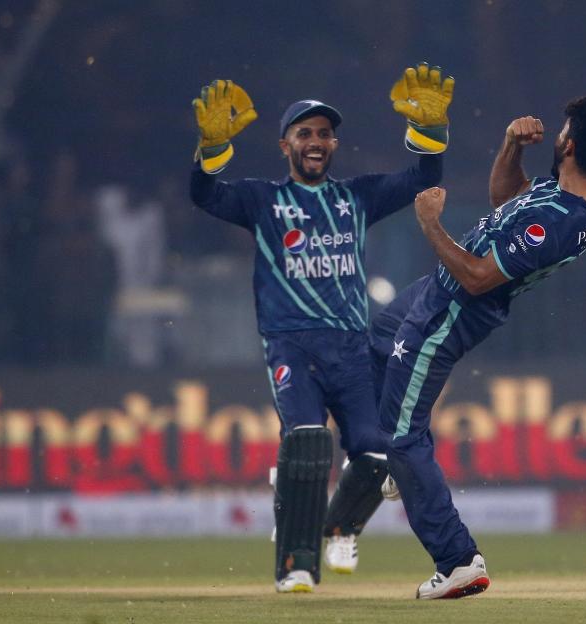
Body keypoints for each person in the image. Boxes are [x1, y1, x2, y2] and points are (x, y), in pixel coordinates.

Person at [188, 64, 454, 593]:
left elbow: (425, 178)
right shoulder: (262, 201)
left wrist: (430, 134)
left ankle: (339, 528)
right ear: (284, 145)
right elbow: (205, 195)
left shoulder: (356, 197)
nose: (316, 142)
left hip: (352, 351)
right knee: (308, 441)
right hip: (291, 343)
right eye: (304, 134)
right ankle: (296, 564)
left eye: (324, 134)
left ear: (334, 144)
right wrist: (209, 146)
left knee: (381, 454)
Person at [372, 96, 586, 599]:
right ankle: (407, 468)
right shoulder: (575, 190)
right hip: (434, 292)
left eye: (562, 130)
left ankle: (458, 560)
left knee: (401, 437)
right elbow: (504, 201)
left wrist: (430, 224)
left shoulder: (561, 222)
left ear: (569, 146)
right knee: (378, 341)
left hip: (451, 309)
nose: (555, 134)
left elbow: (479, 276)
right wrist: (510, 147)